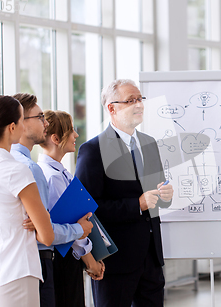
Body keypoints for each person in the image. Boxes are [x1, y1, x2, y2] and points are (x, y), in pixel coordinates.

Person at [75, 79, 174, 307]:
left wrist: (165, 196)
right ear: (112, 108)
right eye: (131, 100)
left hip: (151, 258)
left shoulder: (149, 143)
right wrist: (136, 204)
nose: (139, 105)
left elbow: (155, 198)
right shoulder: (92, 150)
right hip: (115, 261)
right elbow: (88, 208)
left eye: (140, 99)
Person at [10, 93, 93, 307]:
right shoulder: (35, 170)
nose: (44, 124)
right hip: (47, 259)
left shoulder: (9, 165)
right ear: (19, 123)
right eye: (39, 118)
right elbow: (46, 232)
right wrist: (78, 230)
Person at [0, 96, 54, 307]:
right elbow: (47, 236)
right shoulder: (18, 170)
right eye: (21, 120)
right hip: (17, 277)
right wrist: (37, 222)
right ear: (12, 127)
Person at [38, 110, 105, 307]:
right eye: (71, 130)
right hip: (63, 259)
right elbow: (69, 227)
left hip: (66, 257)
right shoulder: (53, 177)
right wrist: (91, 263)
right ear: (56, 138)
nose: (76, 135)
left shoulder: (59, 172)